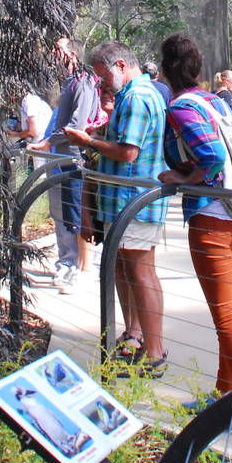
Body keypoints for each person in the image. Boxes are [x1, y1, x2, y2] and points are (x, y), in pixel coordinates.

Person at [156, 33, 232, 400]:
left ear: (166, 70)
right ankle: (225, 393)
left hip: (213, 218)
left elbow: (213, 157)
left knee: (226, 315)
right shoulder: (213, 101)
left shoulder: (181, 107)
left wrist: (186, 179)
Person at [64, 39, 169, 375]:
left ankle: (155, 353)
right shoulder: (131, 95)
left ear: (121, 65)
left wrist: (89, 141)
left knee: (141, 271)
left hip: (134, 201)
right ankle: (135, 335)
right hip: (121, 203)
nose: (102, 83)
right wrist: (101, 133)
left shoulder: (137, 97)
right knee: (125, 270)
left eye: (104, 75)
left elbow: (128, 152)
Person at [26, 37, 99, 292]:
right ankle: (67, 265)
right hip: (61, 160)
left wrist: (48, 142)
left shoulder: (84, 81)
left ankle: (79, 270)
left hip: (75, 160)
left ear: (72, 54)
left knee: (76, 215)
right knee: (64, 215)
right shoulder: (70, 82)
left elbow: (77, 124)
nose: (52, 54)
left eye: (57, 49)